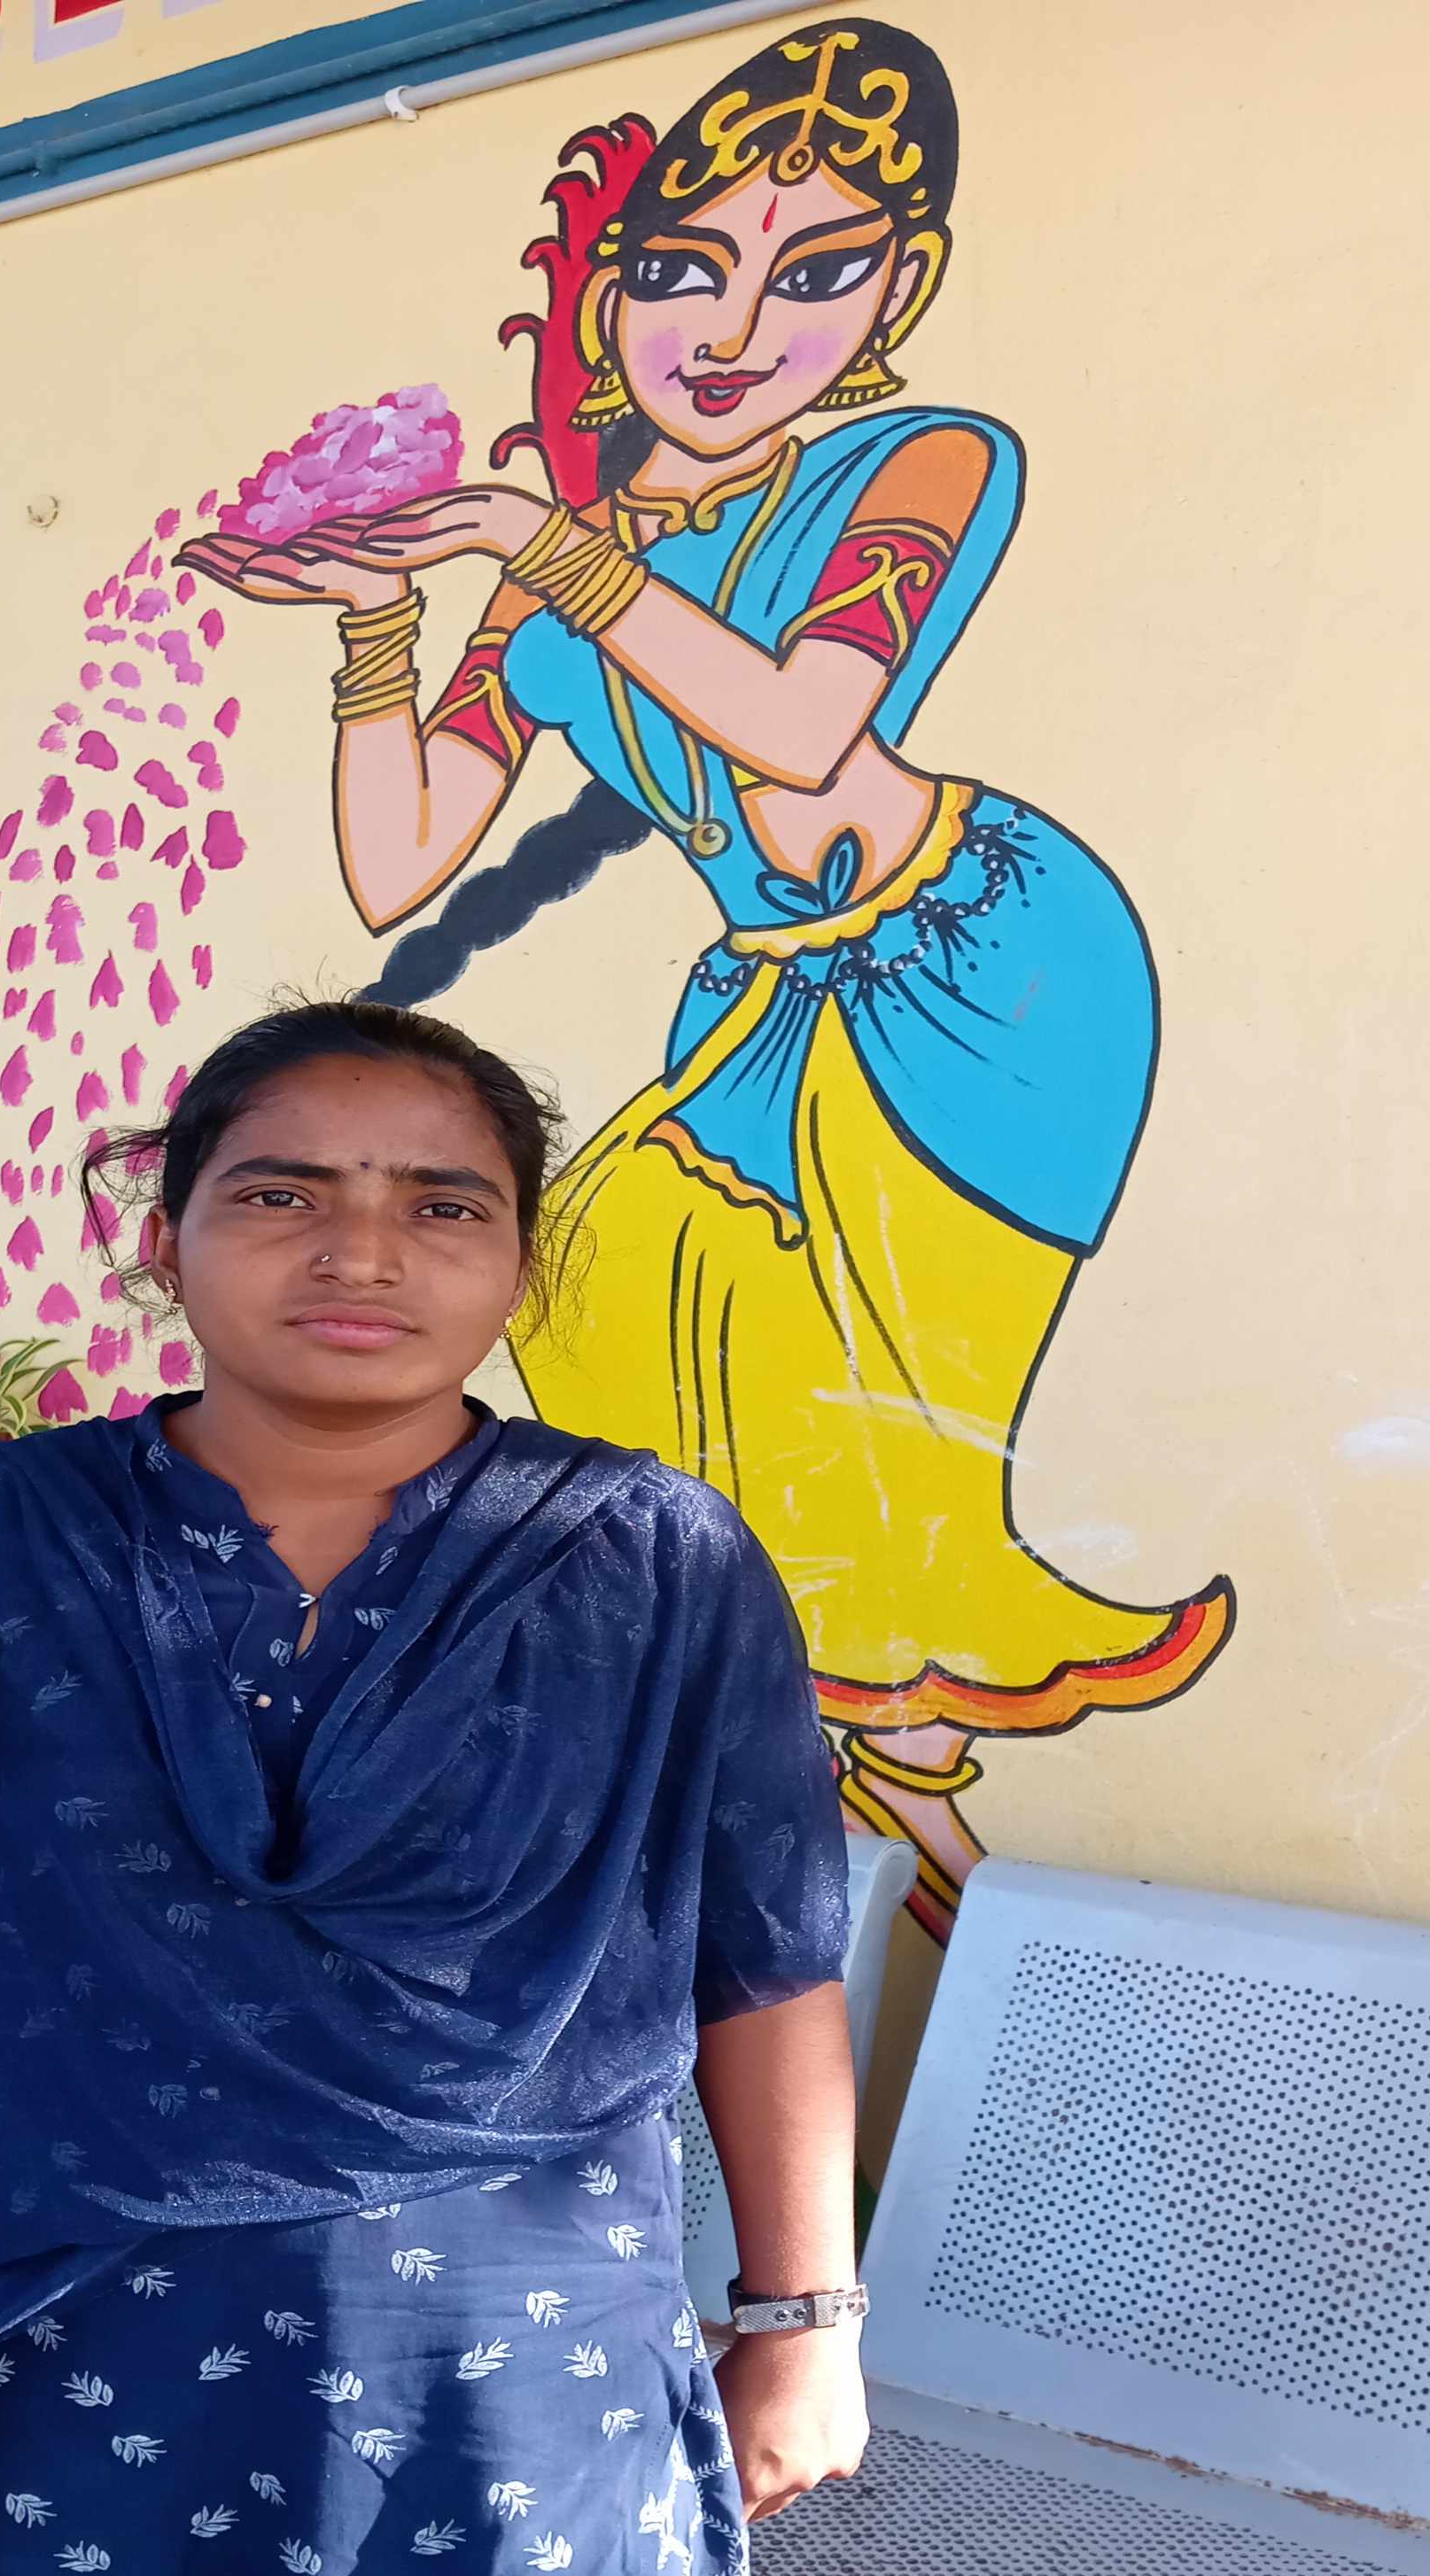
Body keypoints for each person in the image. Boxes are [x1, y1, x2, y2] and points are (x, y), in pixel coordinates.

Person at [0, 999, 867, 2576]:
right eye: (282, 1192)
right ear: (165, 1234)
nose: (361, 1252)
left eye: (443, 1205)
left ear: (520, 1258)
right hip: (42, 2356)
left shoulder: (654, 1560)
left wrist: (803, 2326)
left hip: (510, 2381)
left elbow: (767, 1961)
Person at [183, 18, 1232, 1940]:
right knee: (613, 1320)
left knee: (892, 1472)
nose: (733, 327)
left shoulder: (923, 462)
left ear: (896, 292)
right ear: (611, 298)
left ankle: (941, 1919)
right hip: (765, 1000)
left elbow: (802, 733)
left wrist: (541, 545)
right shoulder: (555, 568)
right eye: (682, 271)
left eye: (812, 274)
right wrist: (380, 622)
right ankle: (852, 1888)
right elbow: (397, 854)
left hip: (982, 970)